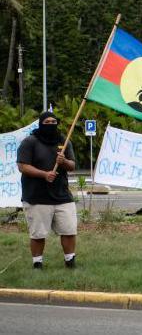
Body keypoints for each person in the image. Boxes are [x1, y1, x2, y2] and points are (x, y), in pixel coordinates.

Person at [16, 112, 77, 269]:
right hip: (37, 197)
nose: (51, 124)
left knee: (69, 230)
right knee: (38, 234)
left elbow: (72, 166)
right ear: (41, 123)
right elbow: (22, 166)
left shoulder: (64, 141)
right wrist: (44, 174)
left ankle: (70, 261)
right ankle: (37, 264)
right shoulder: (30, 142)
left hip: (62, 196)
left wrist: (63, 162)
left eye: (54, 121)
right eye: (47, 122)